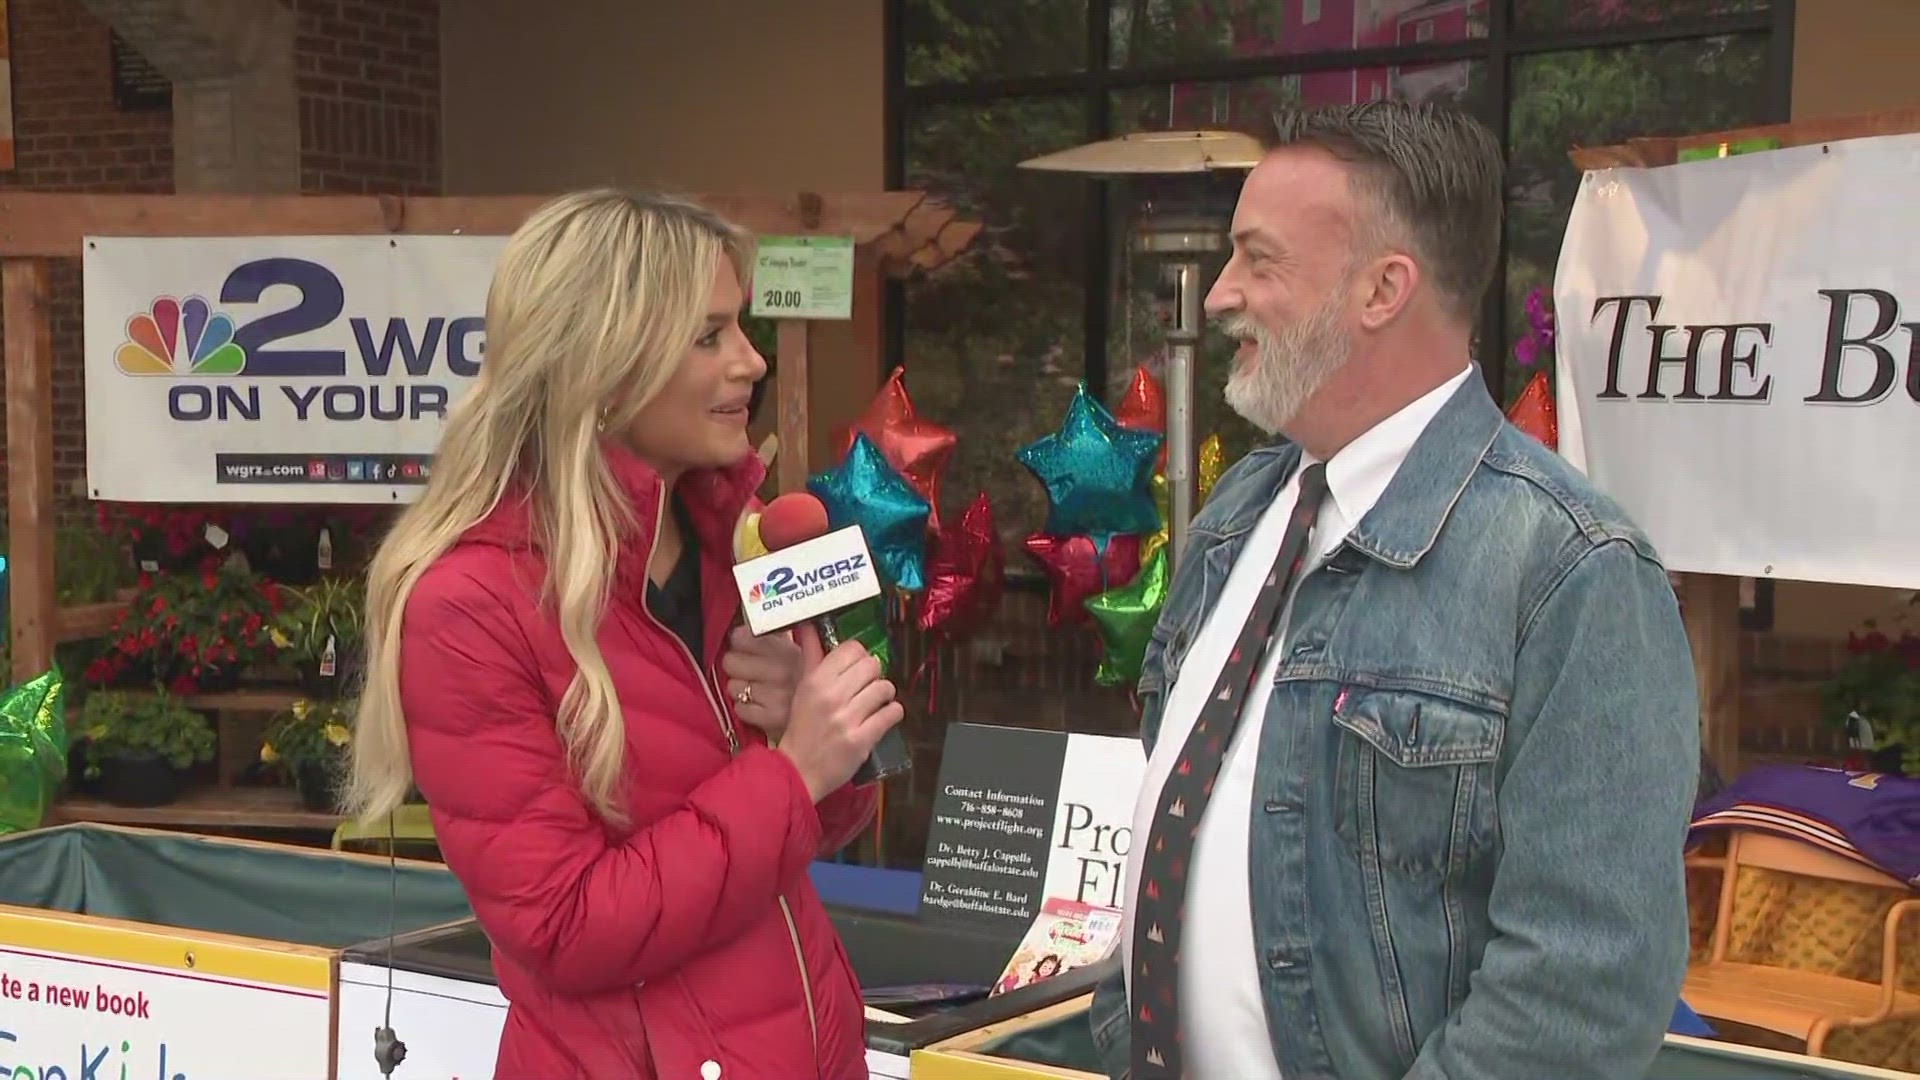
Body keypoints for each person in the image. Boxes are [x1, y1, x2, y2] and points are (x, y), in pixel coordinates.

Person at [1087, 102, 1700, 1080]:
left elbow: (1583, 989)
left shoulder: (1571, 572)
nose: (1218, 296)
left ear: (1383, 288)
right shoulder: (1240, 514)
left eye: (1259, 258)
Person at [343, 190, 904, 1079]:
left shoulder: (739, 537)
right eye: (709, 336)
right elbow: (563, 925)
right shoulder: (467, 607)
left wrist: (820, 747)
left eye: (741, 329)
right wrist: (791, 771)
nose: (751, 362)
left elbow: (810, 825)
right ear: (602, 363)